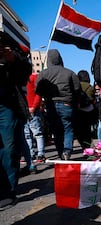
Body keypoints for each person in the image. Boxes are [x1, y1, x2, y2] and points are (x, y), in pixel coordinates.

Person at [0, 32, 32, 210]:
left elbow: (25, 72)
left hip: (6, 106)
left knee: (8, 148)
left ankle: (7, 192)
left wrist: (12, 59)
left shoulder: (6, 42)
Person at [36, 49, 81, 160]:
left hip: (51, 105)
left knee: (56, 130)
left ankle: (61, 152)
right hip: (67, 104)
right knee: (68, 128)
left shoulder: (43, 73)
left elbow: (38, 90)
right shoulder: (69, 72)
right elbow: (77, 89)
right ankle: (67, 151)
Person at [75, 70, 96, 149]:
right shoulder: (90, 87)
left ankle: (83, 145)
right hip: (89, 111)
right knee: (87, 130)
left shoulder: (76, 86)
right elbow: (93, 100)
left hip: (79, 111)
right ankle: (87, 146)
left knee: (79, 131)